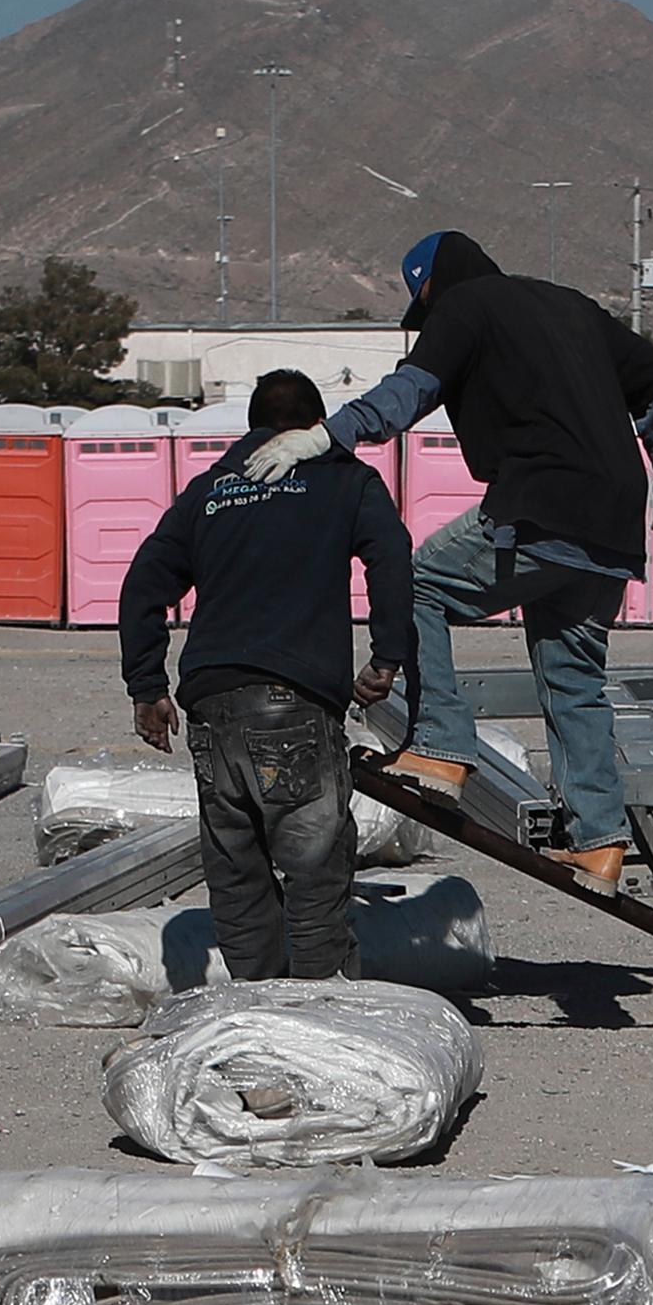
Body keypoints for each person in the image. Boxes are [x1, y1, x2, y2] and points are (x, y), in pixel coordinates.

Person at [240, 229, 653, 895]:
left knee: (419, 580)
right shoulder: (574, 307)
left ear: (431, 286)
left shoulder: (465, 305)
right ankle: (599, 840)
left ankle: (442, 748)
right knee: (573, 683)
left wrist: (325, 437)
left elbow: (411, 390)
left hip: (543, 500)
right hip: (614, 525)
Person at [119, 369, 416, 981]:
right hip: (294, 702)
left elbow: (143, 583)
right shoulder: (346, 482)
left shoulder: (210, 490)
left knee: (237, 873)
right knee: (314, 872)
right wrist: (387, 658)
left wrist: (147, 687)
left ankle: (253, 1013)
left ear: (254, 428)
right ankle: (312, 1024)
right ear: (315, 427)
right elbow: (391, 559)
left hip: (211, 705)